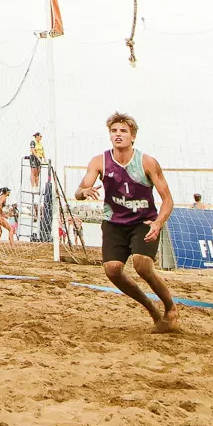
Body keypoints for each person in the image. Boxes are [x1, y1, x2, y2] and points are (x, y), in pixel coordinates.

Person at [75, 112, 179, 333]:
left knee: (142, 265)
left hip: (144, 221)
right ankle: (152, 310)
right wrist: (85, 191)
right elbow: (79, 191)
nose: (118, 134)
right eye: (114, 131)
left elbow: (168, 200)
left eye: (123, 131)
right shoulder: (99, 161)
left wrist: (158, 223)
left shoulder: (147, 162)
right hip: (114, 222)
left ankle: (170, 308)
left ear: (133, 137)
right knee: (112, 271)